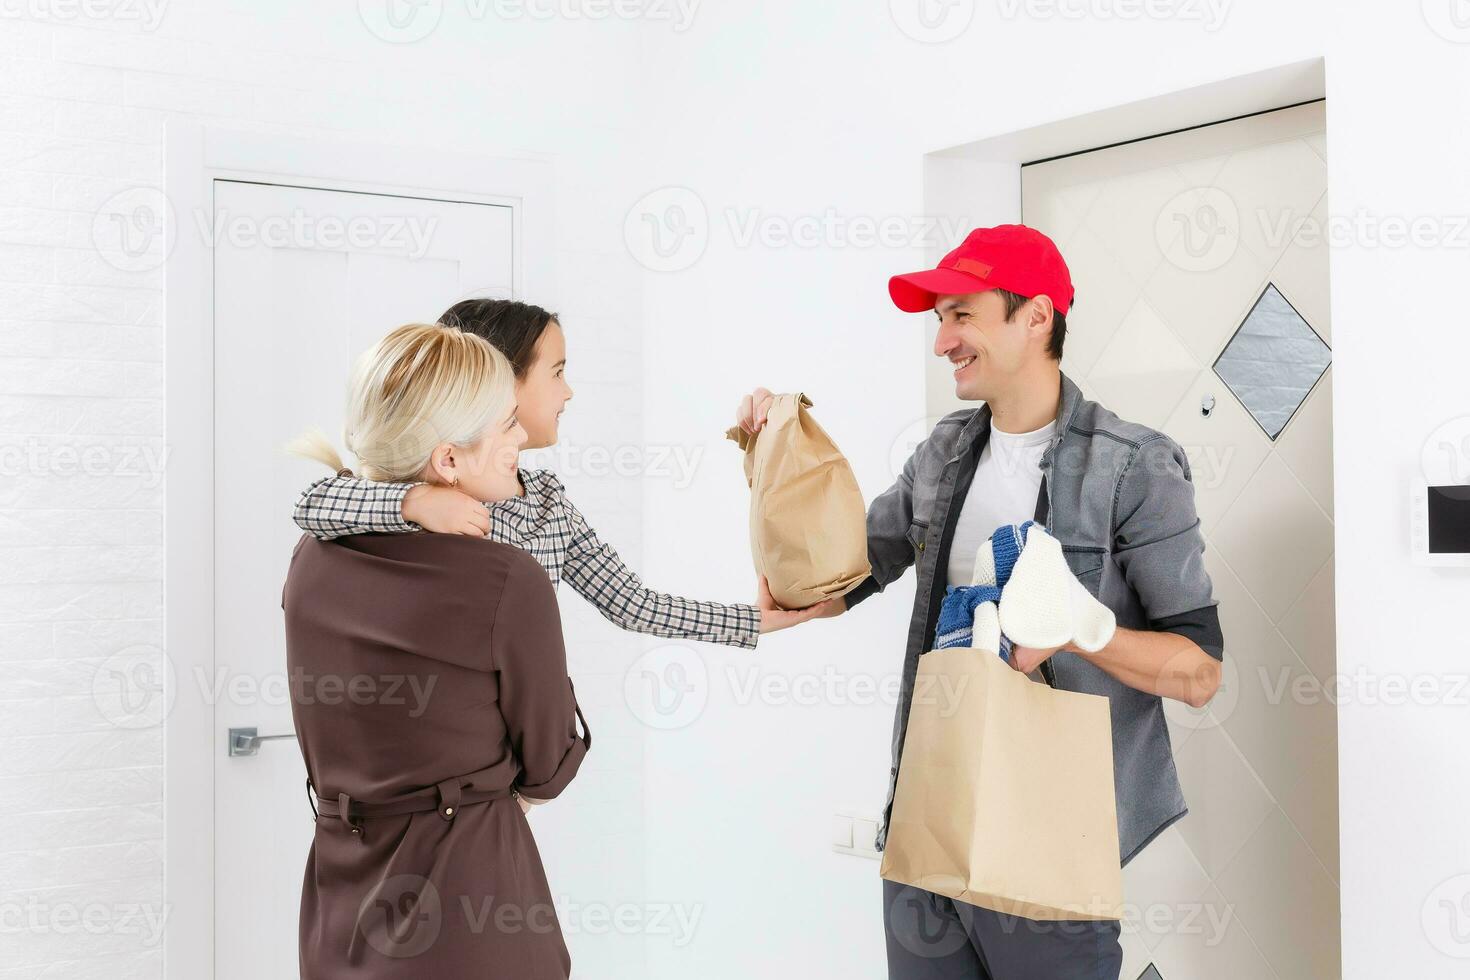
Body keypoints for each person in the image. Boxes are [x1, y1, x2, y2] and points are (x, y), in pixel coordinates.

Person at [735, 225, 1226, 980]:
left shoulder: (1136, 466)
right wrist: (776, 452)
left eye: (961, 314)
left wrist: (1080, 629)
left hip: (1054, 844)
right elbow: (845, 577)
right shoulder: (944, 450)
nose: (942, 340)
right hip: (931, 819)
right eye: (940, 319)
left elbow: (1199, 673)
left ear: (1035, 317)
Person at [283, 323, 590, 979]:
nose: (522, 440)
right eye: (509, 424)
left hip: (340, 911)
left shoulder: (310, 559)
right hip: (471, 917)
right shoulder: (507, 581)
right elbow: (549, 766)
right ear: (448, 460)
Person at [292, 298, 829, 645]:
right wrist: (413, 502)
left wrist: (755, 621)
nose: (568, 391)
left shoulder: (546, 504)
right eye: (557, 372)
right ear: (497, 379)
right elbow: (316, 502)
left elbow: (633, 604)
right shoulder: (431, 478)